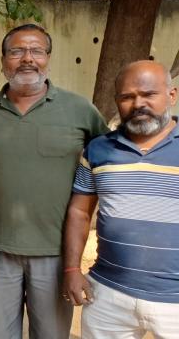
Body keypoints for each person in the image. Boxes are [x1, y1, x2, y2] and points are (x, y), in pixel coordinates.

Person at [0, 23, 109, 338]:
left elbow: (109, 162)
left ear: (48, 58)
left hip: (57, 250)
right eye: (16, 51)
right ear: (3, 60)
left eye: (36, 51)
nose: (27, 59)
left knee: (50, 334)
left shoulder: (79, 110)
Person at [63, 60, 179, 338]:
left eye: (149, 94)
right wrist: (71, 268)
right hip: (108, 294)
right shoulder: (98, 149)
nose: (138, 104)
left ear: (171, 95)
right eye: (127, 97)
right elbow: (79, 213)